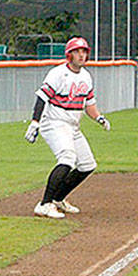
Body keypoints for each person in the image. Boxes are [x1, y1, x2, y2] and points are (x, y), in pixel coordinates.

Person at [24, 36, 111, 219]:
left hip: (72, 125)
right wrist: (35, 122)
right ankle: (44, 204)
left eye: (84, 51)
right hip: (55, 122)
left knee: (87, 164)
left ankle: (58, 199)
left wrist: (99, 118)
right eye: (77, 51)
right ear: (69, 55)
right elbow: (42, 97)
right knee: (67, 158)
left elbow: (89, 104)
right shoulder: (58, 73)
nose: (81, 55)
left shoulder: (86, 76)